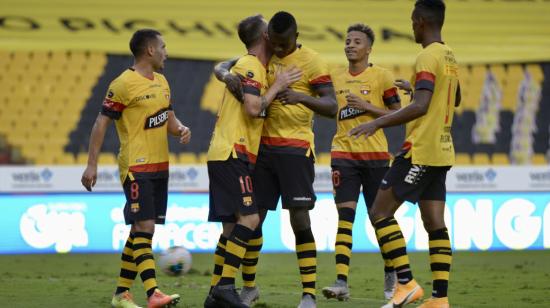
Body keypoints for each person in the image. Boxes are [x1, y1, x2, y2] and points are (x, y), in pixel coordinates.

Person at [216, 11, 337, 308]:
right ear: (267, 37)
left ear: (296, 37)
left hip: (296, 149)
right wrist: (228, 76)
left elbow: (332, 105)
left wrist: (303, 98)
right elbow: (221, 66)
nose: (279, 49)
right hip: (263, 150)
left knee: (299, 219)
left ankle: (308, 294)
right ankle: (250, 287)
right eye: (274, 42)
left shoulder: (313, 61)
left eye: (284, 44)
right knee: (253, 220)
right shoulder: (262, 58)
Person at [349, 1, 460, 307]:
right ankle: (440, 299)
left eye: (413, 22)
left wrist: (377, 122)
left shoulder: (426, 55)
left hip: (421, 149)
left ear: (421, 21)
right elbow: (456, 96)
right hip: (443, 150)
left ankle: (406, 283)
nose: (412, 26)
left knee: (379, 213)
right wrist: (414, 87)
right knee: (435, 223)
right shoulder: (448, 54)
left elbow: (422, 106)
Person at [81, 29, 191, 308]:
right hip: (136, 166)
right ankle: (153, 293)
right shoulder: (123, 84)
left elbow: (169, 119)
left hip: (160, 166)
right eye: (163, 47)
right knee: (145, 226)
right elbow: (100, 124)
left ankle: (121, 294)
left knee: (142, 232)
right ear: (150, 51)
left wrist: (180, 130)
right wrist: (91, 164)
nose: (167, 51)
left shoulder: (164, 82)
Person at [204, 15, 302, 308]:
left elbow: (225, 68)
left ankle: (214, 296)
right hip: (233, 152)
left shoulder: (246, 65)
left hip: (227, 152)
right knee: (250, 219)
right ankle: (224, 286)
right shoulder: (251, 66)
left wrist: (221, 70)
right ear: (264, 36)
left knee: (231, 229)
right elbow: (252, 108)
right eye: (268, 27)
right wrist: (279, 85)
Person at [321, 23, 401, 302]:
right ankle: (341, 281)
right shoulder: (334, 77)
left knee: (380, 219)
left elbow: (397, 113)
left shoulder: (382, 76)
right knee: (345, 217)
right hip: (343, 155)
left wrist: (367, 107)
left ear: (369, 48)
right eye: (347, 41)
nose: (350, 45)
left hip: (377, 158)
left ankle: (391, 270)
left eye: (356, 41)